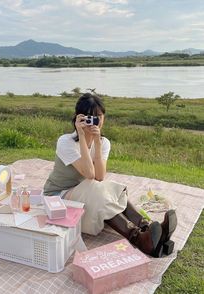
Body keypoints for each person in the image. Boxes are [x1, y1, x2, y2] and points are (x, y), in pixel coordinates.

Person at [44, 92, 177, 257]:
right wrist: (83, 137)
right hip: (58, 196)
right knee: (97, 191)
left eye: (98, 116)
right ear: (78, 118)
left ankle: (150, 230)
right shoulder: (66, 142)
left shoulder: (104, 142)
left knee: (113, 189)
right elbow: (90, 174)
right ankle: (139, 239)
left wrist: (98, 144)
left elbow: (100, 176)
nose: (95, 121)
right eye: (89, 117)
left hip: (83, 190)